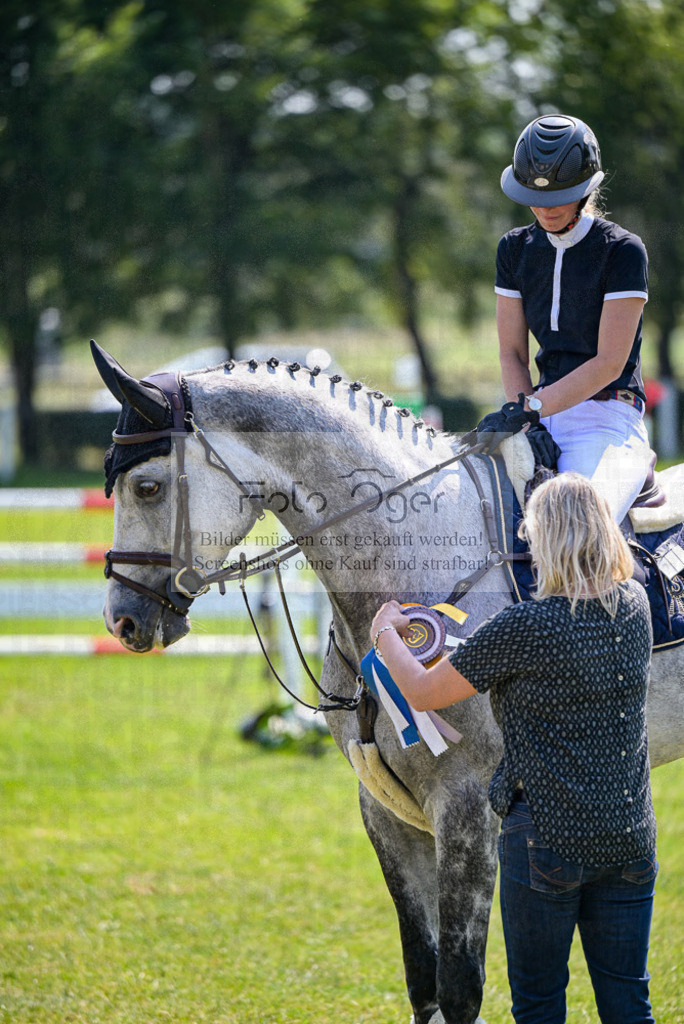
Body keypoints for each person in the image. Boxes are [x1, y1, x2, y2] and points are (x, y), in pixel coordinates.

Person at [370, 473, 657, 1024]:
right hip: (631, 838)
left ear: (548, 538)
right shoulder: (637, 605)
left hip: (546, 841)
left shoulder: (527, 626)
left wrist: (386, 633)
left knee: (539, 1005)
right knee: (629, 1003)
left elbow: (423, 692)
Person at [476, 113, 655, 525]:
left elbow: (609, 363)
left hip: (607, 420)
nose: (544, 208)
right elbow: (512, 353)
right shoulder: (514, 249)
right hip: (537, 418)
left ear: (585, 188)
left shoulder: (622, 251)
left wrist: (530, 409)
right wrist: (525, 421)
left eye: (559, 196)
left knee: (578, 526)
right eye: (534, 196)